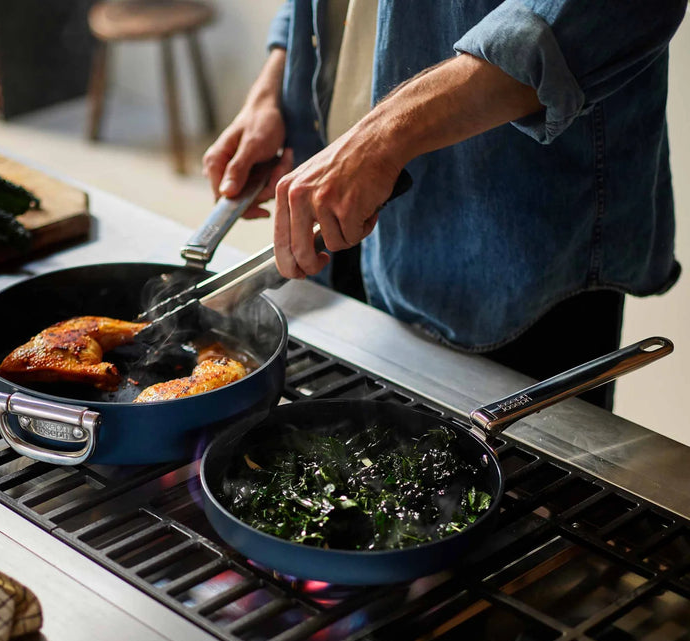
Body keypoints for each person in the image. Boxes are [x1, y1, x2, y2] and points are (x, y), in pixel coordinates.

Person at [202, 1, 686, 411]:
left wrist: (384, 134)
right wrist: (273, 82)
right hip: (341, 194)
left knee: (515, 500)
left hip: (518, 240)